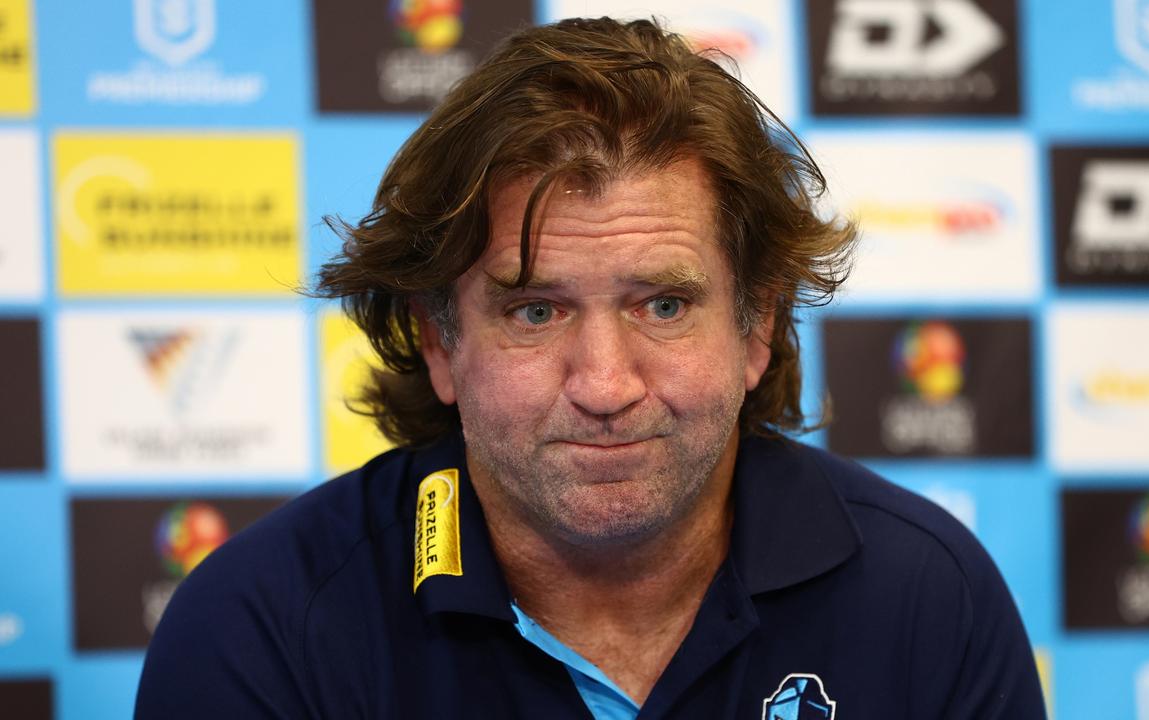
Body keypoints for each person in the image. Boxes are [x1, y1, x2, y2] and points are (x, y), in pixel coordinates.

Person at [136, 17, 1046, 719]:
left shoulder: (930, 596)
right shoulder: (261, 627)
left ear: (758, 324)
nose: (606, 385)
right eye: (535, 311)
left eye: (664, 305)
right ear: (442, 342)